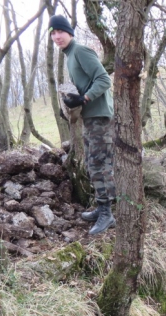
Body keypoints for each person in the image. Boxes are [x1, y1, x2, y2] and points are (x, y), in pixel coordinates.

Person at [49, 14, 116, 236]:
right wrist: (69, 105)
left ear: (69, 32)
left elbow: (104, 79)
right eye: (53, 33)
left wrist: (84, 98)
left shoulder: (81, 51)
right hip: (90, 117)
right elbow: (81, 86)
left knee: (100, 164)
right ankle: (101, 207)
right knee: (92, 163)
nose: (56, 36)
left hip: (100, 117)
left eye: (60, 31)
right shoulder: (70, 56)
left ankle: (107, 214)